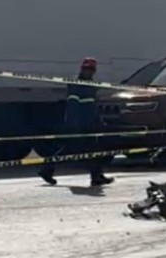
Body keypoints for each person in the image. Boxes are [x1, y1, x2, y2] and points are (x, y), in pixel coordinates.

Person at [39, 57, 113, 187]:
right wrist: (74, 123)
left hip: (89, 122)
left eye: (90, 69)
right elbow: (73, 103)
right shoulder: (76, 82)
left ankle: (96, 176)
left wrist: (98, 120)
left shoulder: (91, 83)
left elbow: (92, 104)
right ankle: (46, 170)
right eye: (86, 68)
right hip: (77, 122)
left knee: (94, 148)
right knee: (67, 148)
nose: (88, 71)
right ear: (81, 69)